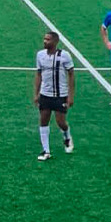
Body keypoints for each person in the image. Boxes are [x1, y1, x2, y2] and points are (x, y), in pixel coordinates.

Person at [33, 31, 76, 161]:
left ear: (55, 42)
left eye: (48, 39)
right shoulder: (40, 55)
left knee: (61, 122)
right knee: (43, 120)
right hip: (45, 95)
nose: (45, 41)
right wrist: (36, 94)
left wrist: (70, 96)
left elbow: (71, 75)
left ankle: (67, 137)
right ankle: (46, 151)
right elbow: (38, 75)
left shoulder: (65, 56)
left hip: (60, 95)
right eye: (44, 39)